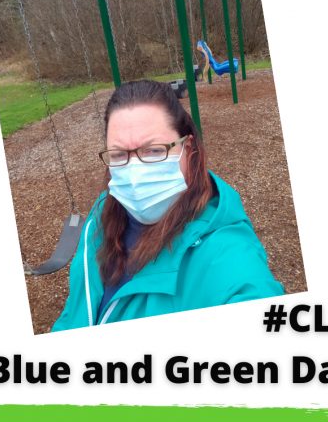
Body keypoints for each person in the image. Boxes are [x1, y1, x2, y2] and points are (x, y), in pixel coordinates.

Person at [52, 80, 284, 331]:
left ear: (189, 148)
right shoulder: (102, 213)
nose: (134, 172)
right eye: (119, 155)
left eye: (154, 150)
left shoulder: (225, 256)